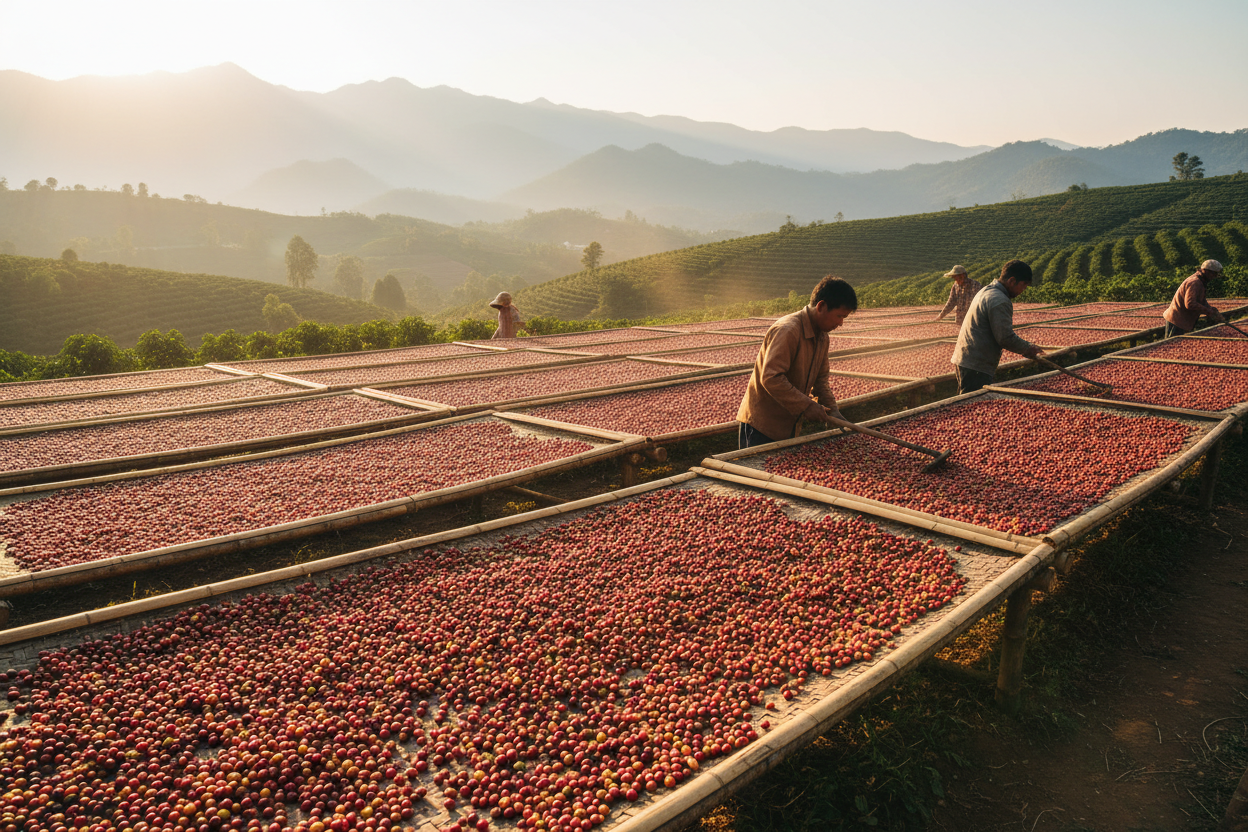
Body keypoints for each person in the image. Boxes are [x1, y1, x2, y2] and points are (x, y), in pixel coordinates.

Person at [736, 275, 857, 449]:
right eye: (839, 316)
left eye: (844, 317)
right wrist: (807, 406)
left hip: (789, 424)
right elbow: (771, 378)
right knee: (759, 473)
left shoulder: (822, 336)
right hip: (761, 426)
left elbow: (820, 380)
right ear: (821, 306)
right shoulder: (788, 331)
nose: (841, 323)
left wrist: (833, 410)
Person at [950, 260, 1045, 394]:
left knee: (966, 400)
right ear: (1012, 281)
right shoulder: (999, 300)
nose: (1022, 291)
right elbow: (1005, 338)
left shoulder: (986, 290)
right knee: (973, 405)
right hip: (977, 364)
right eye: (1023, 286)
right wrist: (1027, 348)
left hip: (966, 358)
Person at [1162, 259, 1227, 338]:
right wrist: (1208, 311)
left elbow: (1201, 300)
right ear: (1206, 271)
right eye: (1214, 274)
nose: (1215, 277)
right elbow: (1190, 304)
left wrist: (1211, 309)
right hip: (1177, 320)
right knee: (1172, 344)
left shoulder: (1201, 281)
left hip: (1183, 319)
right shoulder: (1195, 282)